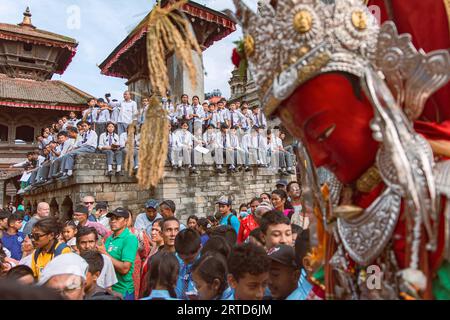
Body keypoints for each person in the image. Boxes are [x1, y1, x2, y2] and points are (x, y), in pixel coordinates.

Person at [98, 208, 138, 300]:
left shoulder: (129, 239)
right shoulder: (109, 238)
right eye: (112, 219)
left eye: (118, 218)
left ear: (126, 221)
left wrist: (105, 254)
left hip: (122, 291)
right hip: (109, 289)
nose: (113, 221)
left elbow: (125, 269)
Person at [76, 227, 118, 293]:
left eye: (91, 242)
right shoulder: (73, 261)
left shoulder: (106, 260)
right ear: (77, 244)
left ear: (96, 242)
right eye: (83, 243)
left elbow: (108, 287)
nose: (87, 246)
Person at [174, 229, 201, 300]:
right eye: (182, 258)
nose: (185, 262)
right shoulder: (176, 262)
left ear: (200, 248)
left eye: (190, 259)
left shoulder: (207, 267)